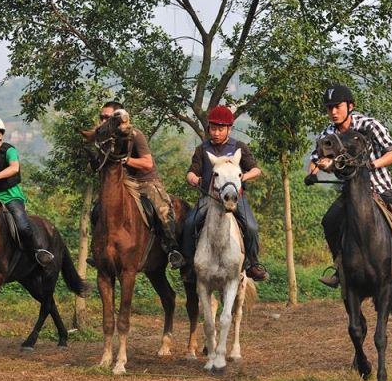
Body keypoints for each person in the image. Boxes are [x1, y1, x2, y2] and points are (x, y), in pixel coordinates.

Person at [305, 84, 392, 287]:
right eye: (329, 107)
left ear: (350, 106)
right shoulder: (327, 134)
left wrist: (372, 164)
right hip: (350, 192)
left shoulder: (369, 125)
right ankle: (339, 267)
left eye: (337, 106)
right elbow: (316, 160)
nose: (333, 112)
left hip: (380, 187)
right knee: (328, 221)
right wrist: (314, 172)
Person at [90, 101, 185, 268]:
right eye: (102, 117)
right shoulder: (102, 137)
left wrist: (126, 160)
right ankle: (97, 249)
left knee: (162, 209)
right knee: (98, 207)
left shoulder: (135, 135)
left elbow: (147, 163)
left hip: (145, 181)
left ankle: (172, 249)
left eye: (108, 117)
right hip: (122, 183)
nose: (103, 120)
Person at [182, 106, 268, 281]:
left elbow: (256, 170)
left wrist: (243, 176)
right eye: (213, 128)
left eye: (220, 129)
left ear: (229, 129)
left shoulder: (239, 147)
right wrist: (192, 178)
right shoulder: (202, 149)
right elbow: (192, 171)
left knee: (251, 226)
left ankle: (253, 264)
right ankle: (188, 264)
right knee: (190, 223)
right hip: (210, 197)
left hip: (236, 197)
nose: (216, 132)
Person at [0, 115, 55, 266]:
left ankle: (38, 251)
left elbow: (14, 168)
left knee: (22, 226)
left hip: (11, 197)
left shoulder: (9, 150)